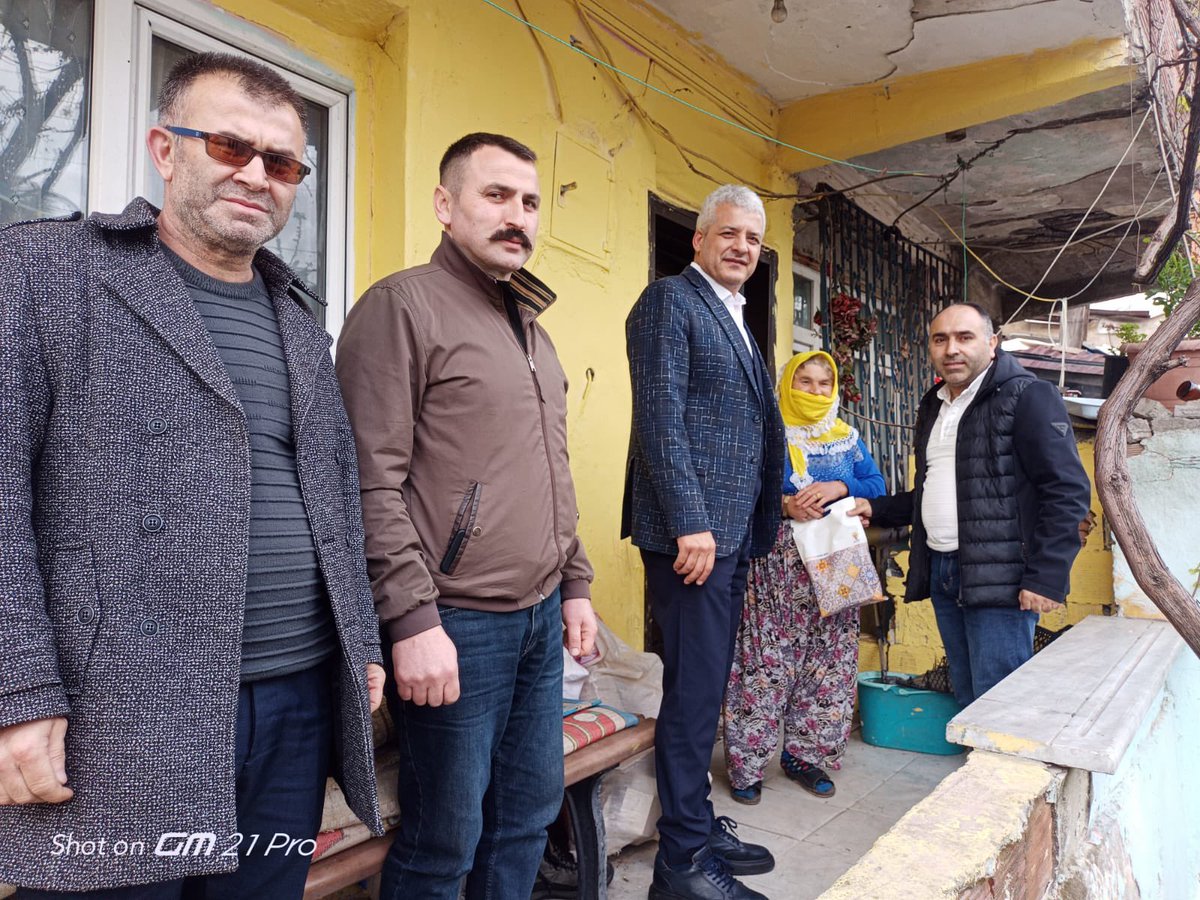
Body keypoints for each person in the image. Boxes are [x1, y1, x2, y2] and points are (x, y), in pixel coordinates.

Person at [0, 52, 384, 898]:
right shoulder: (47, 272)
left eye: (282, 163)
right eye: (228, 146)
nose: (257, 175)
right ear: (163, 149)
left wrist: (360, 641)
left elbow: (334, 499)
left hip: (294, 708)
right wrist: (17, 695)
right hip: (116, 716)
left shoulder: (299, 320)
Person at [336, 132, 597, 900]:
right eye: (495, 196)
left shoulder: (535, 335)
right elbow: (364, 480)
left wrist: (576, 582)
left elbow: (551, 474)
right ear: (445, 206)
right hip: (456, 627)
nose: (516, 215)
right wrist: (412, 620)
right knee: (445, 840)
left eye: (528, 201)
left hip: (540, 620)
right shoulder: (400, 307)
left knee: (525, 817)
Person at [623, 184, 785, 900]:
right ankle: (682, 866)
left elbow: (738, 429)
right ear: (698, 239)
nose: (741, 248)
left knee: (704, 685)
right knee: (693, 695)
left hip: (727, 537)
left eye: (752, 239)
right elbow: (661, 419)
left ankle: (692, 817)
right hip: (693, 538)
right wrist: (693, 521)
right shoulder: (670, 301)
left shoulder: (732, 312)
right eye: (728, 234)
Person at [849, 303, 1091, 707]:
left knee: (999, 704)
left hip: (1003, 577)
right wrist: (876, 508)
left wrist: (1046, 577)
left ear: (992, 343)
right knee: (968, 699)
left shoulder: (1029, 396)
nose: (951, 349)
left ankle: (1007, 774)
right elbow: (936, 489)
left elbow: (1066, 491)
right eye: (940, 339)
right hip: (944, 569)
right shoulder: (935, 405)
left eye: (965, 337)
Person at [723, 350, 886, 805]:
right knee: (763, 662)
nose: (814, 392)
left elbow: (877, 486)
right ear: (786, 386)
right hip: (774, 563)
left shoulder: (845, 438)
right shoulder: (763, 431)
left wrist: (842, 487)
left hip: (834, 560)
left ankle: (804, 757)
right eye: (804, 382)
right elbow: (739, 488)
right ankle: (748, 765)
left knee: (828, 663)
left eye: (823, 384)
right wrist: (784, 504)